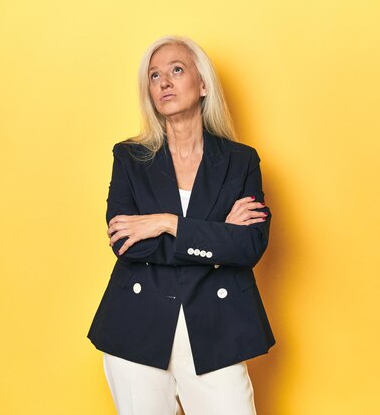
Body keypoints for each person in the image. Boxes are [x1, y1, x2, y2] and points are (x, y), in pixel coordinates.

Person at [87, 35, 275, 415]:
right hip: (136, 328)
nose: (164, 82)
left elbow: (249, 246)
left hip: (216, 327)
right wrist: (218, 234)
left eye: (176, 70)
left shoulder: (241, 161)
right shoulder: (129, 158)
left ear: (203, 84)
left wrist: (166, 223)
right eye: (154, 76)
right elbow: (127, 243)